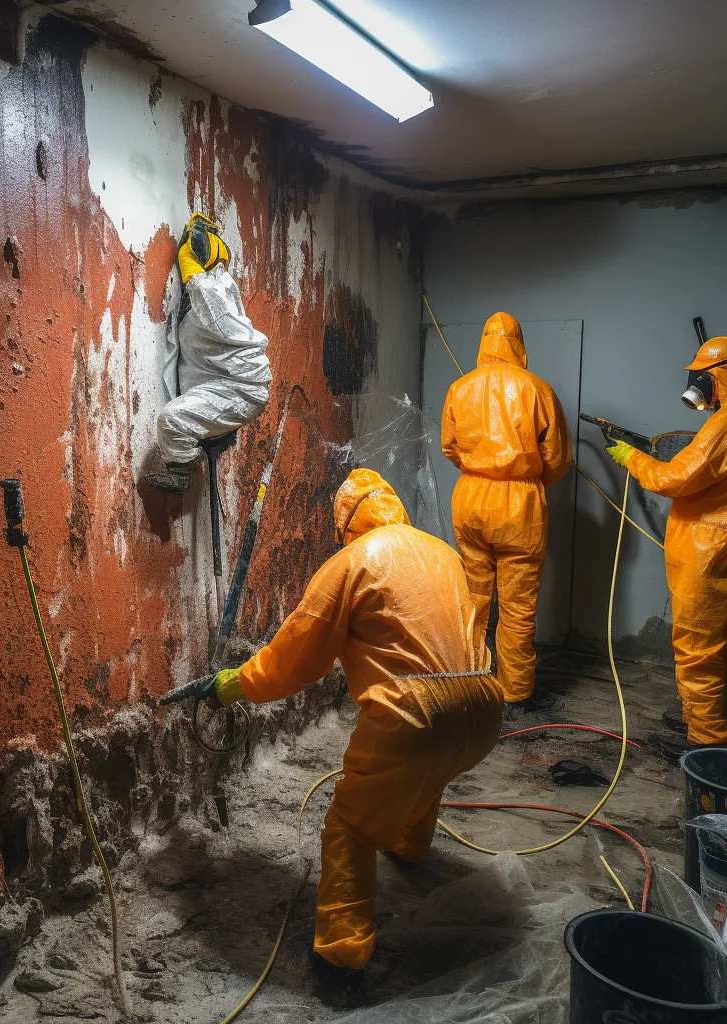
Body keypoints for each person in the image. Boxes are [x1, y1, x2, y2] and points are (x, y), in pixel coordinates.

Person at [206, 468, 502, 997]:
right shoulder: (441, 550)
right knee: (427, 772)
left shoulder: (352, 562)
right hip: (483, 703)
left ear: (346, 521)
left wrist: (238, 684)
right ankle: (411, 847)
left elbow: (296, 657)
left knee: (349, 827)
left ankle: (342, 960)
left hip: (412, 712)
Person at [606, 336, 727, 751]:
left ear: (718, 377)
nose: (699, 388)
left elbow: (677, 479)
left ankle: (707, 745)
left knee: (696, 649)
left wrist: (632, 458)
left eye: (702, 379)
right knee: (712, 645)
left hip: (711, 548)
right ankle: (697, 717)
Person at [440, 312, 573, 710]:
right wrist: (525, 480)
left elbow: (450, 447)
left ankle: (470, 679)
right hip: (519, 506)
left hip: (471, 497)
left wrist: (480, 470)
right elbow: (558, 458)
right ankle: (514, 692)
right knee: (517, 607)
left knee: (473, 598)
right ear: (518, 344)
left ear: (484, 341)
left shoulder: (459, 388)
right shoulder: (539, 390)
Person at [146, 213, 272, 494]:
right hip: (226, 382)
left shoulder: (212, 290)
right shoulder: (221, 285)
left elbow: (207, 298)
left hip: (243, 389)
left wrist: (194, 270)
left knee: (173, 419)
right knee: (177, 416)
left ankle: (182, 469)